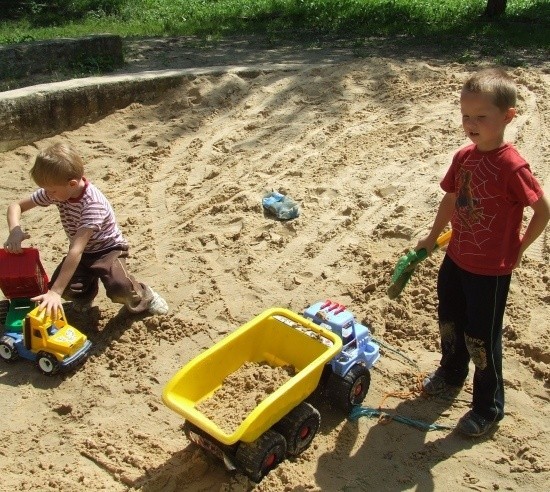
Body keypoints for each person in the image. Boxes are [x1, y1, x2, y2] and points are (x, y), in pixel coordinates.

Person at [415, 67, 550, 437]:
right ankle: (451, 371)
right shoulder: (464, 156)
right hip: (456, 258)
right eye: (465, 116)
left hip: (490, 271)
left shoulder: (512, 165)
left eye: (481, 117)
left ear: (507, 117)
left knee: (481, 337)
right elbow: (452, 197)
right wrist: (432, 237)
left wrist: (520, 249)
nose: (471, 124)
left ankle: (487, 407)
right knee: (450, 320)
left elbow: (542, 210)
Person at [3, 142, 169, 319]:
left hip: (108, 250)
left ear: (72, 183)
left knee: (119, 288)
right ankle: (83, 297)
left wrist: (55, 293)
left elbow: (76, 249)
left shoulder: (92, 204)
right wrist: (15, 230)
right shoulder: (59, 189)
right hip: (84, 251)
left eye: (51, 191)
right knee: (68, 287)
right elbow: (16, 206)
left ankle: (145, 295)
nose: (48, 195)